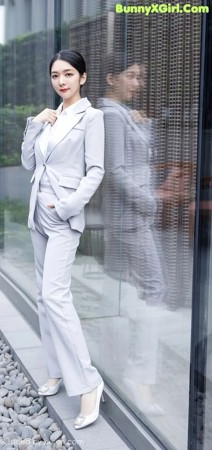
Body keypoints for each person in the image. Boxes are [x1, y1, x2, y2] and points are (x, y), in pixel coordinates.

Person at [21, 49, 105, 429]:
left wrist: (67, 206)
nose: (62, 81)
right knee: (43, 295)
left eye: (69, 74)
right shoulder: (50, 117)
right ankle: (56, 369)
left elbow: (96, 171)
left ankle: (88, 383)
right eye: (56, 75)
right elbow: (28, 162)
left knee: (56, 295)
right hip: (37, 214)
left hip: (62, 216)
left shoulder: (92, 117)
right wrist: (34, 124)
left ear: (82, 77)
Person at [98, 54, 166, 415]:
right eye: (132, 76)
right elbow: (116, 172)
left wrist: (143, 125)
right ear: (112, 78)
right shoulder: (111, 114)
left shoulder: (121, 114)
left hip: (129, 216)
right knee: (155, 289)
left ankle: (111, 362)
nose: (138, 83)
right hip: (131, 218)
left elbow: (139, 157)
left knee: (118, 285)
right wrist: (151, 203)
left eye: (141, 77)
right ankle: (140, 378)